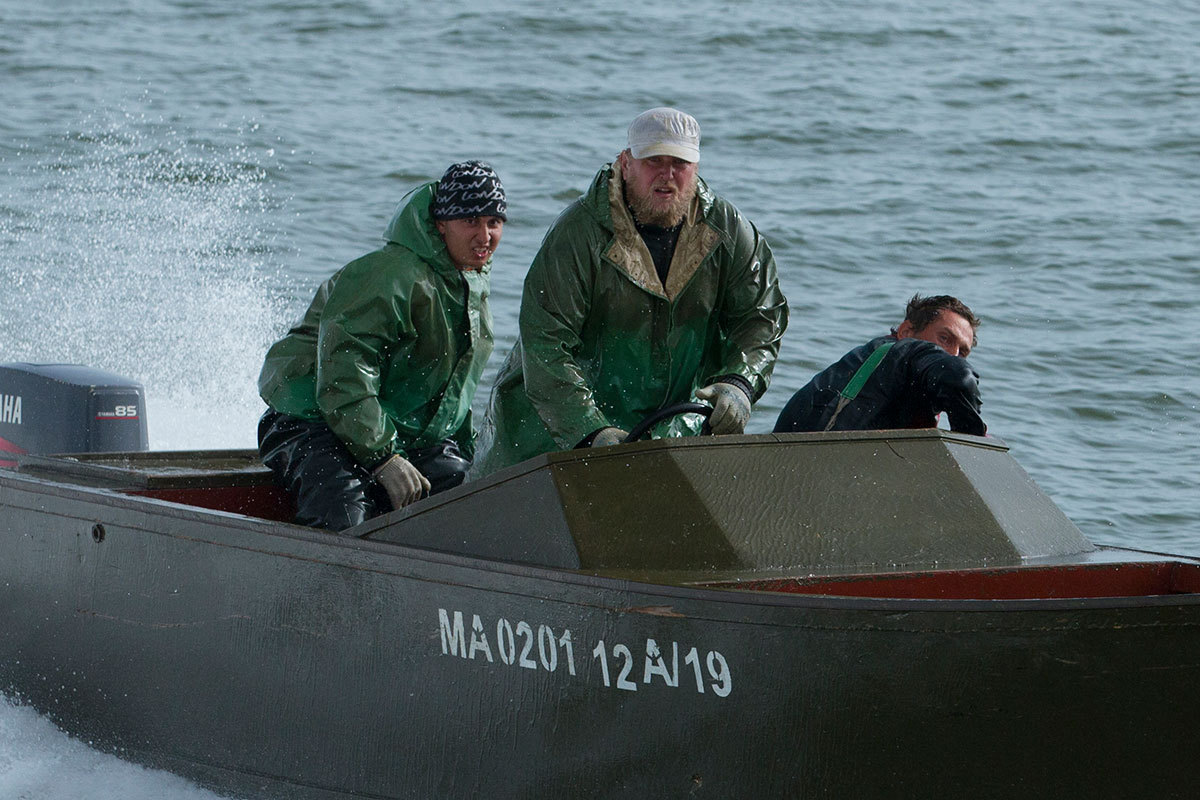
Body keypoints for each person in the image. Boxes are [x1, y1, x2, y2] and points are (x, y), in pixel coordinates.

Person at [474, 107, 788, 475]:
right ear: (626, 164)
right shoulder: (577, 234)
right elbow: (545, 344)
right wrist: (590, 431)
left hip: (666, 431)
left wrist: (738, 383)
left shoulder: (729, 231)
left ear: (696, 168)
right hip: (547, 435)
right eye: (654, 160)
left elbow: (761, 317)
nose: (667, 175)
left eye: (680, 163)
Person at [256, 161, 506, 531]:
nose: (484, 236)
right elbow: (344, 372)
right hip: (311, 419)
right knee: (344, 515)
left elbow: (453, 396)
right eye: (470, 221)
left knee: (474, 503)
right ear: (441, 224)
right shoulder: (391, 275)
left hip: (397, 428)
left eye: (494, 222)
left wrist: (468, 455)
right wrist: (384, 458)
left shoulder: (468, 284)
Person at [773, 294, 986, 436]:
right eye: (945, 338)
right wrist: (973, 446)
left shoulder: (894, 377)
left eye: (963, 351)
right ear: (906, 332)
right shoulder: (897, 352)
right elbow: (959, 378)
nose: (954, 355)